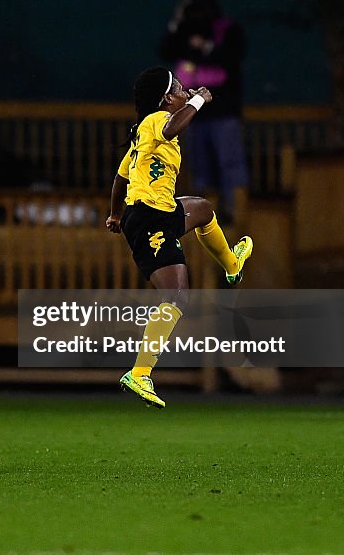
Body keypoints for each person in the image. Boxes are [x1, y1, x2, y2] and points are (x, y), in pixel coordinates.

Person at [105, 67, 254, 409]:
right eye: (181, 90)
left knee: (202, 209)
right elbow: (173, 125)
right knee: (176, 297)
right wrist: (200, 100)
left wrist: (114, 214)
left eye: (188, 90)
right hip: (149, 219)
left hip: (159, 211)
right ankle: (140, 373)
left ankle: (232, 264)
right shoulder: (156, 121)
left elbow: (119, 179)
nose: (186, 93)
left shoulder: (142, 138)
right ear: (165, 99)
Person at [158, 0, 248, 223]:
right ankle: (200, 217)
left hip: (223, 111)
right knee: (200, 168)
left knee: (229, 164)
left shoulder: (228, 30)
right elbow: (165, 49)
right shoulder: (185, 31)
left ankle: (235, 213)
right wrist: (177, 20)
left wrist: (205, 48)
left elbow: (233, 56)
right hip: (194, 113)